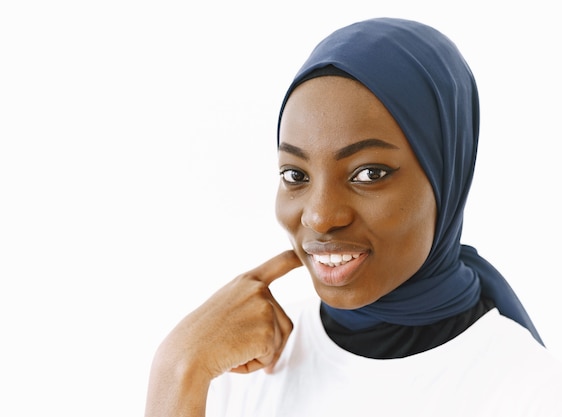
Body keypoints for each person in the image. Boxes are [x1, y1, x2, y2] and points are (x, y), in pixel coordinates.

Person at [145, 17, 562, 416]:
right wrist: (176, 370)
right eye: (296, 175)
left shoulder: (528, 392)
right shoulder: (238, 366)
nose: (321, 216)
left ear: (447, 174)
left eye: (369, 173)